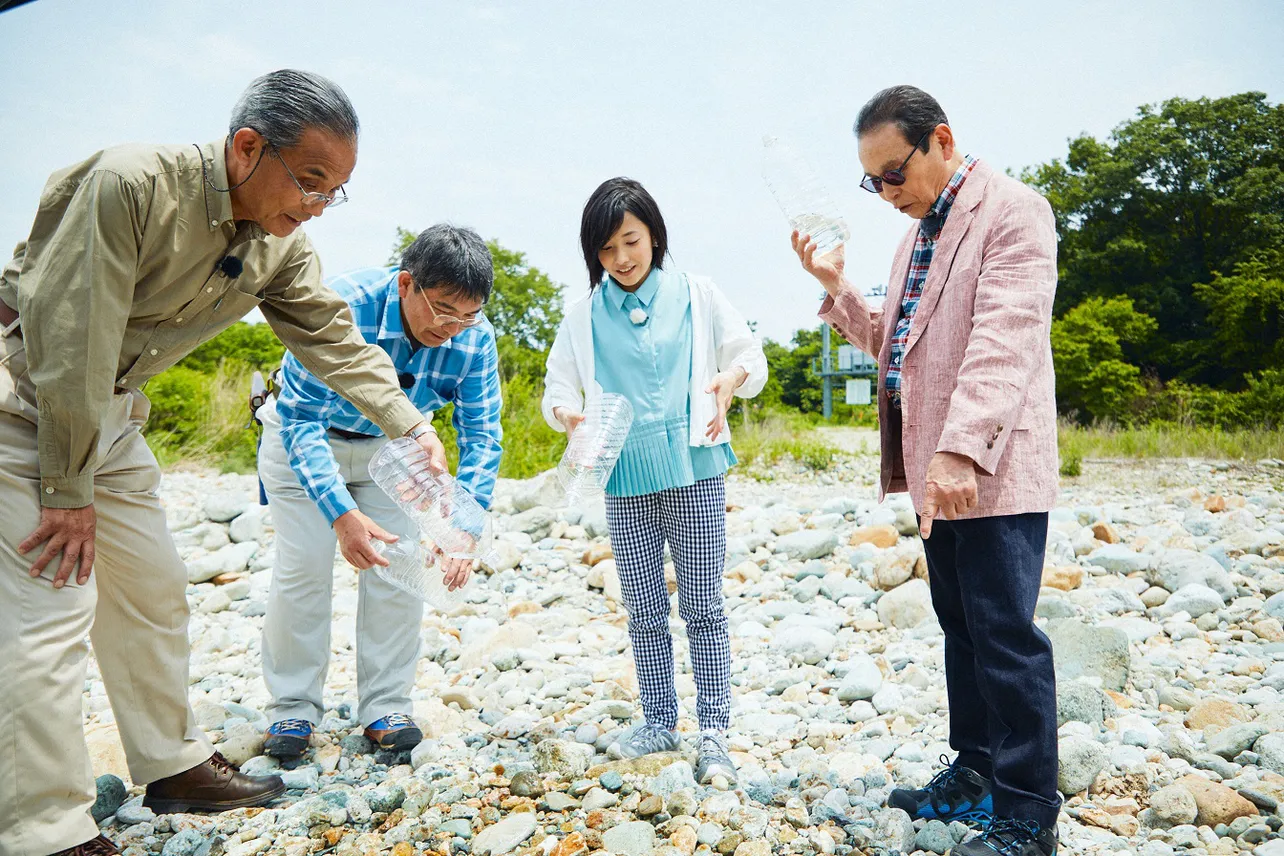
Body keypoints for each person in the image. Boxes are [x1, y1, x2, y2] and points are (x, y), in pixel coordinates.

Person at [0, 70, 447, 856]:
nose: (315, 205)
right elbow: (71, 340)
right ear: (247, 148)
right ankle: (41, 828)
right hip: (25, 398)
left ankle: (171, 765)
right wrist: (65, 488)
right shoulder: (132, 186)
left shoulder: (278, 245)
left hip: (111, 413)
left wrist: (409, 426)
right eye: (310, 181)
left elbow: (333, 337)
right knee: (52, 612)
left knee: (154, 589)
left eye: (333, 192)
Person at [793, 85, 1061, 856]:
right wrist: (835, 287)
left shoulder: (1013, 210)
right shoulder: (917, 235)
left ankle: (1026, 817)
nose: (885, 193)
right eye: (871, 181)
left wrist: (959, 446)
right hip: (937, 476)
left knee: (1006, 638)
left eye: (893, 173)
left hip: (991, 467)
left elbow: (1003, 340)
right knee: (961, 630)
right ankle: (976, 771)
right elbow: (898, 346)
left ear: (941, 140)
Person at [543, 177, 767, 785]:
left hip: (695, 469)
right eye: (606, 249)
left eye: (631, 241)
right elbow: (558, 389)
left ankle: (714, 730)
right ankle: (660, 718)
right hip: (624, 476)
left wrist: (731, 379)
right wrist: (566, 414)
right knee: (642, 607)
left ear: (654, 235)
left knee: (703, 604)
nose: (620, 258)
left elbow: (751, 359)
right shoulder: (581, 316)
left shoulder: (698, 293)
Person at [257, 224, 502, 759]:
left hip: (394, 452)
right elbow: (299, 421)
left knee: (398, 568)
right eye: (442, 310)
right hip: (304, 438)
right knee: (305, 569)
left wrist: (465, 522)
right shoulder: (343, 306)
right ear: (406, 284)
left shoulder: (474, 337)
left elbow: (481, 434)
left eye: (469, 315)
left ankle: (386, 707)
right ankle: (293, 711)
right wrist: (341, 516)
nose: (454, 329)